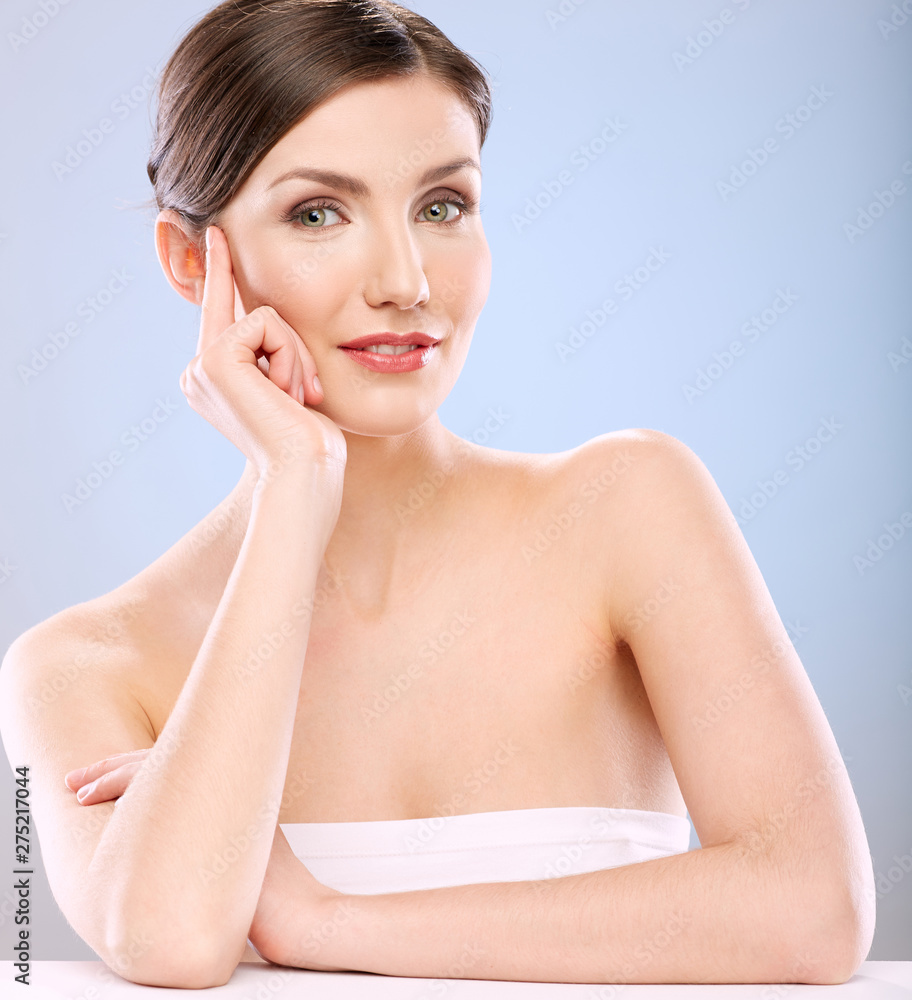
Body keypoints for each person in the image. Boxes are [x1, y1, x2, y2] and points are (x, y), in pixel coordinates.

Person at [0, 0, 875, 988]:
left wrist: (320, 921)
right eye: (318, 213)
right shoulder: (82, 667)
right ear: (193, 261)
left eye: (442, 205)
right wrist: (295, 487)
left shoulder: (629, 509)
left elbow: (815, 912)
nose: (406, 280)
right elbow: (165, 941)